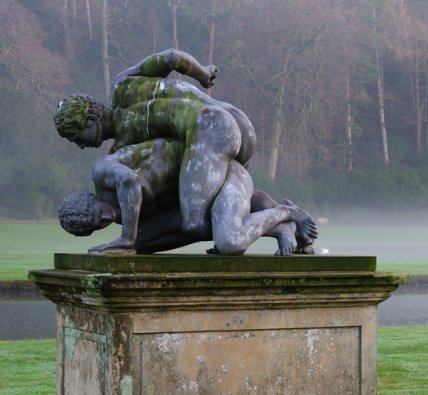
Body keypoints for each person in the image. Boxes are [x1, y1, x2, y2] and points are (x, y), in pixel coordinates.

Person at [54, 48, 257, 240]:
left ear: (90, 120)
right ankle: (279, 221)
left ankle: (269, 221)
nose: (81, 146)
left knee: (196, 223)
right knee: (222, 197)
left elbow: (170, 57)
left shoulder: (126, 144)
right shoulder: (122, 84)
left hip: (212, 131)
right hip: (238, 122)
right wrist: (202, 74)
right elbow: (171, 57)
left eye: (77, 138)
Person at [58, 138, 316, 255]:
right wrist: (131, 245)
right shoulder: (128, 218)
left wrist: (127, 237)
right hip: (215, 195)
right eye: (98, 224)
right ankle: (281, 227)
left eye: (98, 211)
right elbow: (178, 227)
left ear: (93, 197)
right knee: (144, 243)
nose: (105, 217)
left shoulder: (104, 173)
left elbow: (129, 181)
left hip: (221, 171)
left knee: (230, 243)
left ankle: (287, 211)